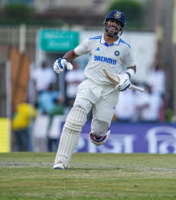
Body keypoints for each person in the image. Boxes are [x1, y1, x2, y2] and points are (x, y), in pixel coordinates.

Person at [52, 10, 136, 169]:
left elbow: (132, 67)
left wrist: (126, 76)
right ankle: (61, 162)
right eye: (112, 22)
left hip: (110, 90)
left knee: (98, 131)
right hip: (90, 85)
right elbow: (73, 53)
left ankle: (101, 133)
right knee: (75, 118)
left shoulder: (125, 48)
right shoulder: (92, 42)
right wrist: (63, 60)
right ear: (106, 22)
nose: (113, 26)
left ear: (121, 28)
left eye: (117, 24)